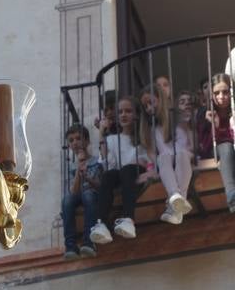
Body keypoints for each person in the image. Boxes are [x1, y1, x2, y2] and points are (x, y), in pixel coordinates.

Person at [90, 95, 148, 244]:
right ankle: (101, 223)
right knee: (109, 175)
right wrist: (102, 134)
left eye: (128, 111)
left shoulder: (144, 137)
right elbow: (109, 165)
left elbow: (148, 160)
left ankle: (128, 218)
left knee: (128, 169)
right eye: (120, 111)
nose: (123, 114)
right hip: (122, 176)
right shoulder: (112, 139)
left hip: (137, 175)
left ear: (136, 114)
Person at [140, 83, 192, 225]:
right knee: (163, 157)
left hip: (182, 157)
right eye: (145, 106)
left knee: (181, 154)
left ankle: (174, 205)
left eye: (152, 102)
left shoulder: (176, 118)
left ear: (161, 99)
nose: (149, 108)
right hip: (165, 162)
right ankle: (175, 196)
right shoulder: (150, 128)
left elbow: (186, 143)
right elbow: (151, 152)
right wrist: (154, 167)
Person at [61, 126, 102, 260]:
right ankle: (70, 246)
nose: (75, 143)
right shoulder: (71, 166)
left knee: (88, 195)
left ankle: (89, 242)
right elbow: (73, 191)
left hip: (92, 193)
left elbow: (100, 185)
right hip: (79, 193)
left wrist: (88, 178)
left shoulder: (97, 161)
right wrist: (79, 171)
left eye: (78, 138)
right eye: (71, 140)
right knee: (67, 200)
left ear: (87, 141)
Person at [198, 73, 235, 211]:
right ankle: (232, 195)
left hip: (231, 151)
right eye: (217, 92)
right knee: (226, 146)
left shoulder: (233, 111)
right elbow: (205, 147)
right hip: (215, 153)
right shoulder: (205, 113)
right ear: (211, 95)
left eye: (225, 92)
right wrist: (215, 126)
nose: (221, 96)